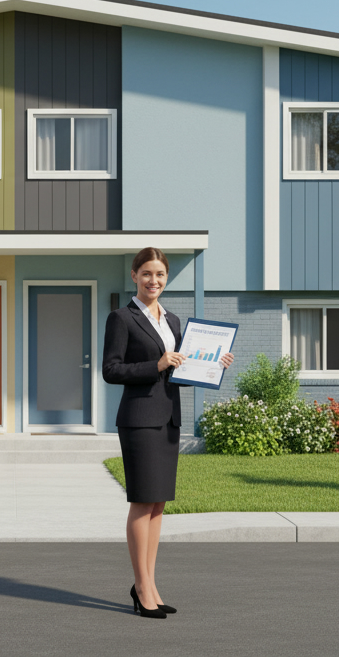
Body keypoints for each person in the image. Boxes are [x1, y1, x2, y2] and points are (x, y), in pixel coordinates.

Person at [103, 247, 232, 619]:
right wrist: (155, 363)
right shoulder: (122, 318)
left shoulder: (173, 321)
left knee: (158, 505)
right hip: (140, 419)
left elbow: (178, 373)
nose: (153, 280)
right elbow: (111, 370)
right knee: (142, 502)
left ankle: (151, 583)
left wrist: (213, 363)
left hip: (168, 419)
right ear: (134, 275)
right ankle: (141, 587)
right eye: (146, 274)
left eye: (160, 274)